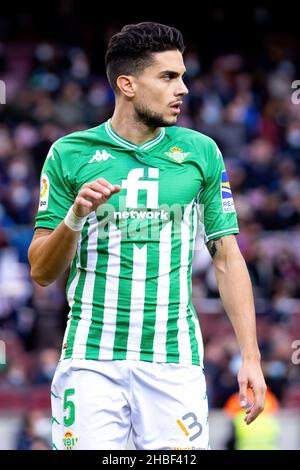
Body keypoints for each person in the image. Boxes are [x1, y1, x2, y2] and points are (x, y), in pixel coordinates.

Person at [28, 22, 266, 450]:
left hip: (174, 363)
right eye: (169, 77)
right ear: (127, 84)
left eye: (183, 76)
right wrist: (75, 217)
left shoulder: (201, 152)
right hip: (90, 361)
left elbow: (227, 257)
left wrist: (251, 356)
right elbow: (42, 271)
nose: (184, 89)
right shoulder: (70, 153)